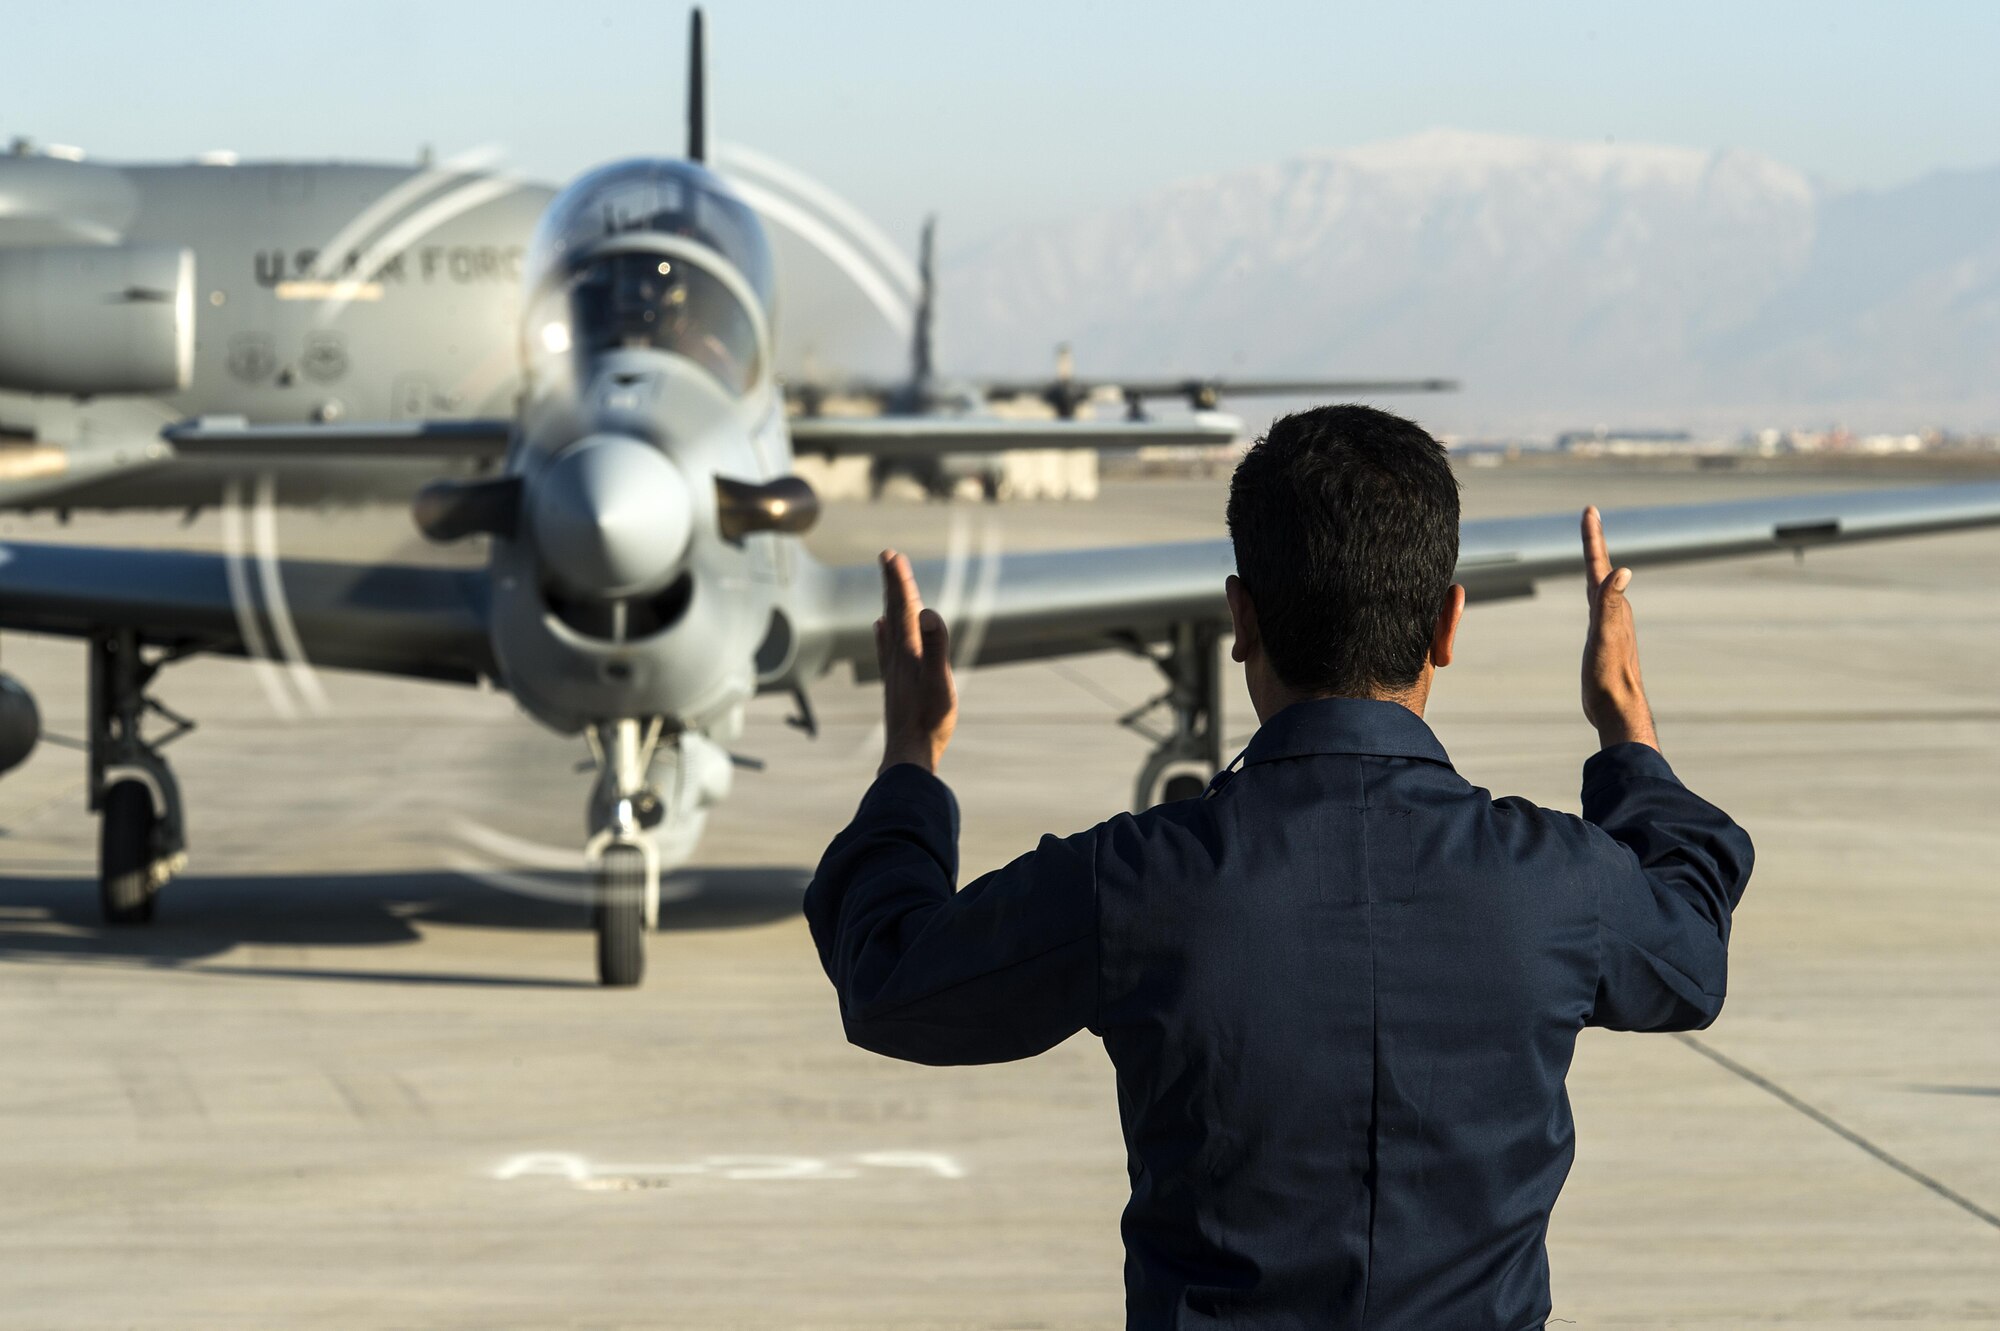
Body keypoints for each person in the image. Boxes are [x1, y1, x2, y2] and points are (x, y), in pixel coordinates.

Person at [804, 405, 1754, 1329]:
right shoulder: (1562, 884)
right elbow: (1691, 955)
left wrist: (910, 760)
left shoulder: (1136, 884)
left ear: (1241, 618)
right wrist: (1626, 727)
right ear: (1447, 626)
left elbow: (892, 977)